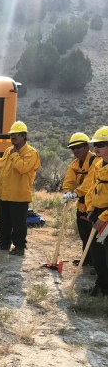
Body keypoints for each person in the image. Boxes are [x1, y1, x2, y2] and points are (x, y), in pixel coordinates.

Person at [0, 121, 41, 256]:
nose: (13, 137)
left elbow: (23, 168)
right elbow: (1, 171)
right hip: (4, 194)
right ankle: (4, 243)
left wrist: (15, 155)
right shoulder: (8, 150)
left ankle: (19, 246)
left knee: (18, 224)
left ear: (24, 136)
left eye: (16, 135)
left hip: (19, 196)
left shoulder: (31, 153)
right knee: (4, 221)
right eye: (11, 135)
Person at [62, 132, 97, 266]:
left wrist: (76, 193)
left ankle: (97, 264)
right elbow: (69, 180)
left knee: (93, 238)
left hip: (93, 206)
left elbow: (89, 183)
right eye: (73, 148)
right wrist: (67, 192)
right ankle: (86, 259)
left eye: (78, 147)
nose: (75, 150)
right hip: (81, 205)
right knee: (84, 235)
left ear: (86, 147)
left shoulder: (96, 161)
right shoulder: (74, 164)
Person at [84, 126, 108, 297]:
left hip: (106, 216)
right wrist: (90, 209)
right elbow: (91, 189)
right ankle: (100, 286)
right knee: (97, 255)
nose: (96, 148)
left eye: (101, 144)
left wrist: (103, 217)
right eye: (95, 144)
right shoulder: (98, 164)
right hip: (97, 213)